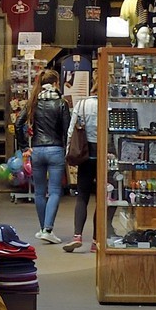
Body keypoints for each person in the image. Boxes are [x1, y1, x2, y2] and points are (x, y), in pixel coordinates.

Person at [16, 64, 71, 242]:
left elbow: (18, 123)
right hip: (56, 149)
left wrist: (25, 147)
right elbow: (67, 129)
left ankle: (42, 229)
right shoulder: (61, 103)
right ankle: (48, 229)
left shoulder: (34, 102)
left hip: (37, 150)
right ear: (56, 83)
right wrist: (67, 149)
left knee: (39, 192)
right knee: (54, 191)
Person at [64, 85, 99, 252]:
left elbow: (71, 130)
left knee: (82, 195)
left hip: (85, 154)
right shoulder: (109, 105)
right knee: (103, 199)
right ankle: (96, 240)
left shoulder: (82, 104)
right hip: (105, 155)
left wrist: (69, 154)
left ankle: (77, 235)